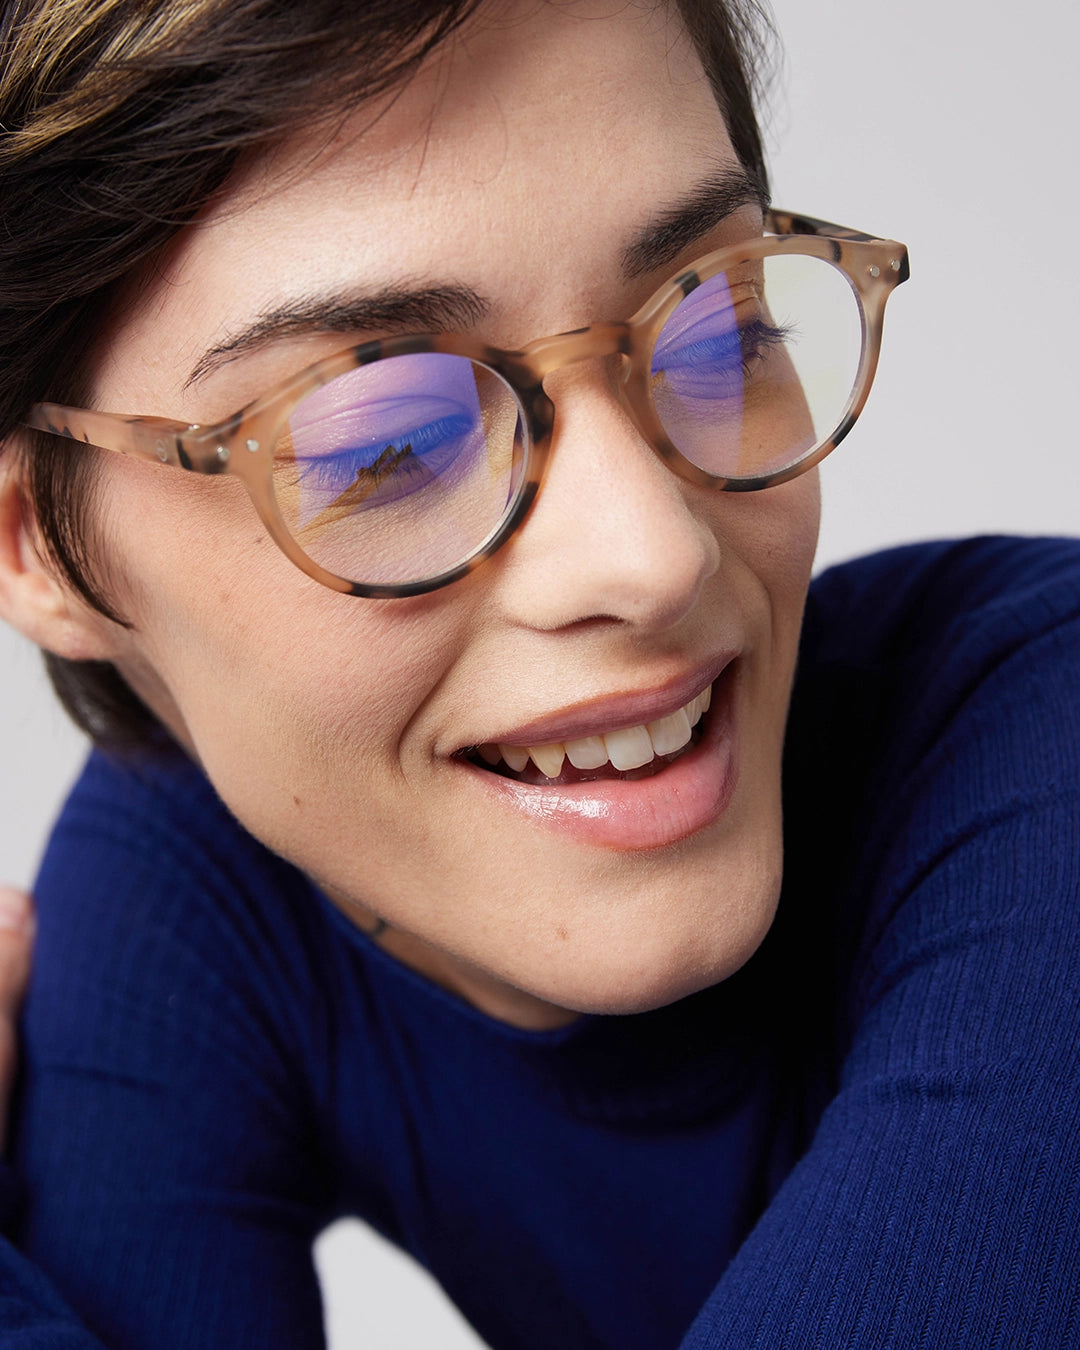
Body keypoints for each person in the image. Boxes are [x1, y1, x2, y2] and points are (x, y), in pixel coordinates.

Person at [0, 0, 1078, 1346]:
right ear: (38, 546)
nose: (654, 554)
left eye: (722, 331)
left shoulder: (1051, 736)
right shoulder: (203, 883)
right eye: (385, 442)